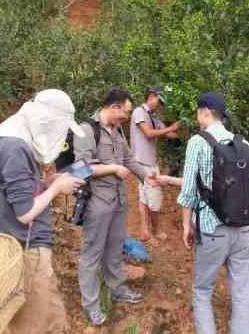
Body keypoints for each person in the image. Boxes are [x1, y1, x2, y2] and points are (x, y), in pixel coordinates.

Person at [0, 89, 86, 334]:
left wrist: (45, 184)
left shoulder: (7, 142)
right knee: (32, 325)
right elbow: (25, 212)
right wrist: (56, 188)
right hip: (25, 251)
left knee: (53, 320)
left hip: (22, 249)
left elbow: (14, 194)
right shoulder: (16, 149)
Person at [74, 88, 158, 326]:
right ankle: (91, 305)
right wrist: (112, 169)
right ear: (114, 107)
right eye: (126, 112)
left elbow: (128, 158)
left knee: (114, 249)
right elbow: (81, 168)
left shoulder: (117, 128)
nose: (128, 117)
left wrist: (145, 175)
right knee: (92, 254)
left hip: (119, 202)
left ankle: (117, 288)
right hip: (98, 204)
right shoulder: (86, 131)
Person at [177, 92, 249, 334]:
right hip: (244, 230)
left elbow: (189, 190)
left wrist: (186, 225)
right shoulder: (245, 144)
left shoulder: (198, 142)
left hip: (213, 231)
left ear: (205, 112)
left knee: (202, 292)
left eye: (197, 111)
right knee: (242, 294)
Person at [130, 87, 179, 245]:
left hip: (146, 162)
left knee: (144, 198)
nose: (159, 105)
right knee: (154, 199)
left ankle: (146, 232)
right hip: (143, 164)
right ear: (151, 97)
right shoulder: (139, 112)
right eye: (159, 100)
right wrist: (171, 128)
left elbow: (168, 133)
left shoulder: (153, 117)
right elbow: (149, 133)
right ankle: (154, 232)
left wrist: (183, 130)